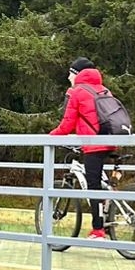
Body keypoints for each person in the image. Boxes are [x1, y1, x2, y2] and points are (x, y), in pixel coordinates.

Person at [48, 58, 119, 239]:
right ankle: (108, 209)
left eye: (70, 73)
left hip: (94, 146)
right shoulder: (104, 89)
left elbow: (67, 124)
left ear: (77, 74)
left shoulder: (77, 92)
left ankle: (98, 230)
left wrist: (51, 137)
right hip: (111, 141)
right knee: (100, 182)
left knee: (92, 186)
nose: (68, 77)